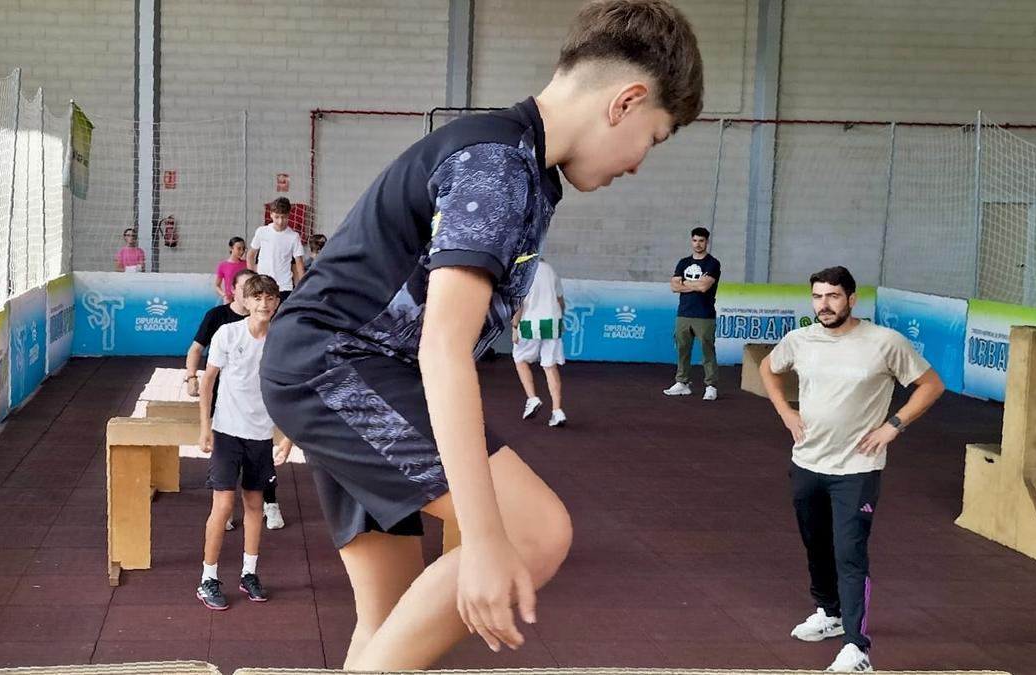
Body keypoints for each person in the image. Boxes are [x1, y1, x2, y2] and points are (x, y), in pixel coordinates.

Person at [259, 1, 703, 669]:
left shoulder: (515, 160)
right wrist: (490, 539)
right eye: (656, 137)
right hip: (340, 367)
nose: (639, 163)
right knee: (538, 529)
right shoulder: (499, 167)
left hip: (341, 371)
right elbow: (443, 346)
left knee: (390, 619)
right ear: (626, 101)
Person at [759, 266, 945, 673]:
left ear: (851, 299)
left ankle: (857, 648)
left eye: (833, 297)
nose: (824, 305)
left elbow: (931, 385)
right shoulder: (800, 339)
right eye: (817, 297)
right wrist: (784, 410)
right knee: (816, 545)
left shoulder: (884, 343)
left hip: (857, 469)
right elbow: (767, 368)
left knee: (849, 553)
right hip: (806, 462)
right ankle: (829, 613)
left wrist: (894, 426)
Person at [196, 274, 294, 611]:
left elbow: (293, 393)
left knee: (255, 506)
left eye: (270, 298)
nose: (264, 304)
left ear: (277, 302)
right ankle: (208, 578)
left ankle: (248, 573)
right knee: (223, 507)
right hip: (226, 431)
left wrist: (288, 439)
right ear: (247, 302)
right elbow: (208, 381)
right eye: (257, 298)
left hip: (261, 435)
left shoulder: (281, 340)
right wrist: (205, 427)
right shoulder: (227, 333)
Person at [186, 268, 284, 531]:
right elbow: (196, 348)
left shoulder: (274, 331)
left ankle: (270, 502)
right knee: (225, 462)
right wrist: (191, 377)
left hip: (258, 411)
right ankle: (224, 509)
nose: (255, 298)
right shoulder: (219, 320)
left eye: (267, 296)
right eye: (245, 289)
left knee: (261, 459)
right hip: (225, 401)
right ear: (238, 292)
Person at [663, 226, 719, 400]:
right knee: (682, 348)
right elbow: (674, 286)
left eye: (701, 241)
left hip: (704, 314)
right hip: (684, 313)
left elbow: (704, 287)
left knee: (707, 349)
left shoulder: (712, 263)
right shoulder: (683, 262)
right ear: (691, 241)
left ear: (707, 242)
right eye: (695, 240)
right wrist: (693, 285)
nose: (698, 244)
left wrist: (685, 284)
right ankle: (682, 383)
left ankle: (711, 386)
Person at [511, 258, 567, 427]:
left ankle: (532, 398)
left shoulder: (521, 273)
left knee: (519, 359)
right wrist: (560, 319)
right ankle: (557, 411)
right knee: (550, 366)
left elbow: (518, 305)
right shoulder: (550, 270)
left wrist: (514, 327)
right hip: (552, 322)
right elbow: (560, 301)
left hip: (530, 323)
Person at [248, 197, 305, 301]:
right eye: (277, 217)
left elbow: (299, 263)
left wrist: (302, 286)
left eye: (283, 217)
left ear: (288, 215)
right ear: (271, 214)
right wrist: (252, 278)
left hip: (284, 286)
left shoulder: (293, 236)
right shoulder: (262, 231)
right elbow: (250, 255)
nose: (280, 221)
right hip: (263, 283)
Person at [215, 237, 249, 303]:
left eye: (243, 249)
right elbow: (217, 285)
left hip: (244, 300)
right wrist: (224, 295)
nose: (242, 251)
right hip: (229, 301)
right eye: (239, 249)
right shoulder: (222, 265)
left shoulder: (247, 264)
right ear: (231, 248)